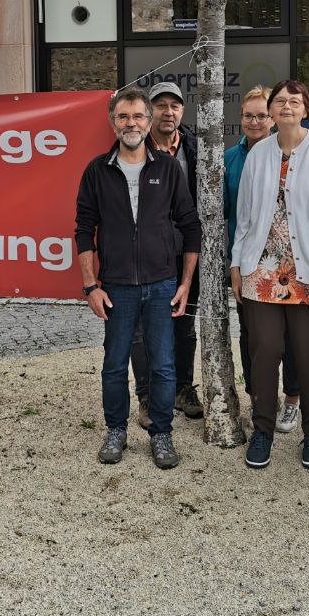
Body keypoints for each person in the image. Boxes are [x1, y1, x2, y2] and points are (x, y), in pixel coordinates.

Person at [74, 89, 200, 469]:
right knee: (114, 364)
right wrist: (91, 286)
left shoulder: (168, 169)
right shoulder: (97, 171)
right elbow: (84, 229)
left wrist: (185, 283)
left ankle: (161, 433)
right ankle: (116, 430)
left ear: (148, 121)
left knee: (163, 365)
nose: (131, 123)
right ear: (113, 121)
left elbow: (190, 226)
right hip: (116, 287)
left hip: (162, 284)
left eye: (138, 116)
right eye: (124, 116)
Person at [231, 80, 309, 470]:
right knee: (264, 351)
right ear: (272, 110)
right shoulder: (258, 153)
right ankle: (262, 430)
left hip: (306, 270)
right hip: (260, 270)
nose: (287, 106)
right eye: (280, 101)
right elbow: (244, 216)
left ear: (306, 109)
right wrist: (236, 265)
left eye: (295, 101)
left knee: (308, 354)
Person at [225, 86, 302, 432]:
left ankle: (292, 399)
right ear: (240, 119)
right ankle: (258, 397)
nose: (255, 122)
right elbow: (227, 212)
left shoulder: (294, 152)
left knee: (292, 336)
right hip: (250, 263)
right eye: (248, 116)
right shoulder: (230, 159)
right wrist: (235, 263)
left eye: (261, 115)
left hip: (290, 264)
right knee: (253, 336)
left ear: (272, 117)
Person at [130, 81, 203, 424]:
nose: (168, 112)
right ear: (149, 112)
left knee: (184, 324)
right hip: (145, 253)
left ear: (182, 112)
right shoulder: (133, 147)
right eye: (160, 106)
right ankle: (147, 397)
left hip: (186, 251)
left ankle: (182, 388)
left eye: (175, 106)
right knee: (142, 328)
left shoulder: (194, 147)